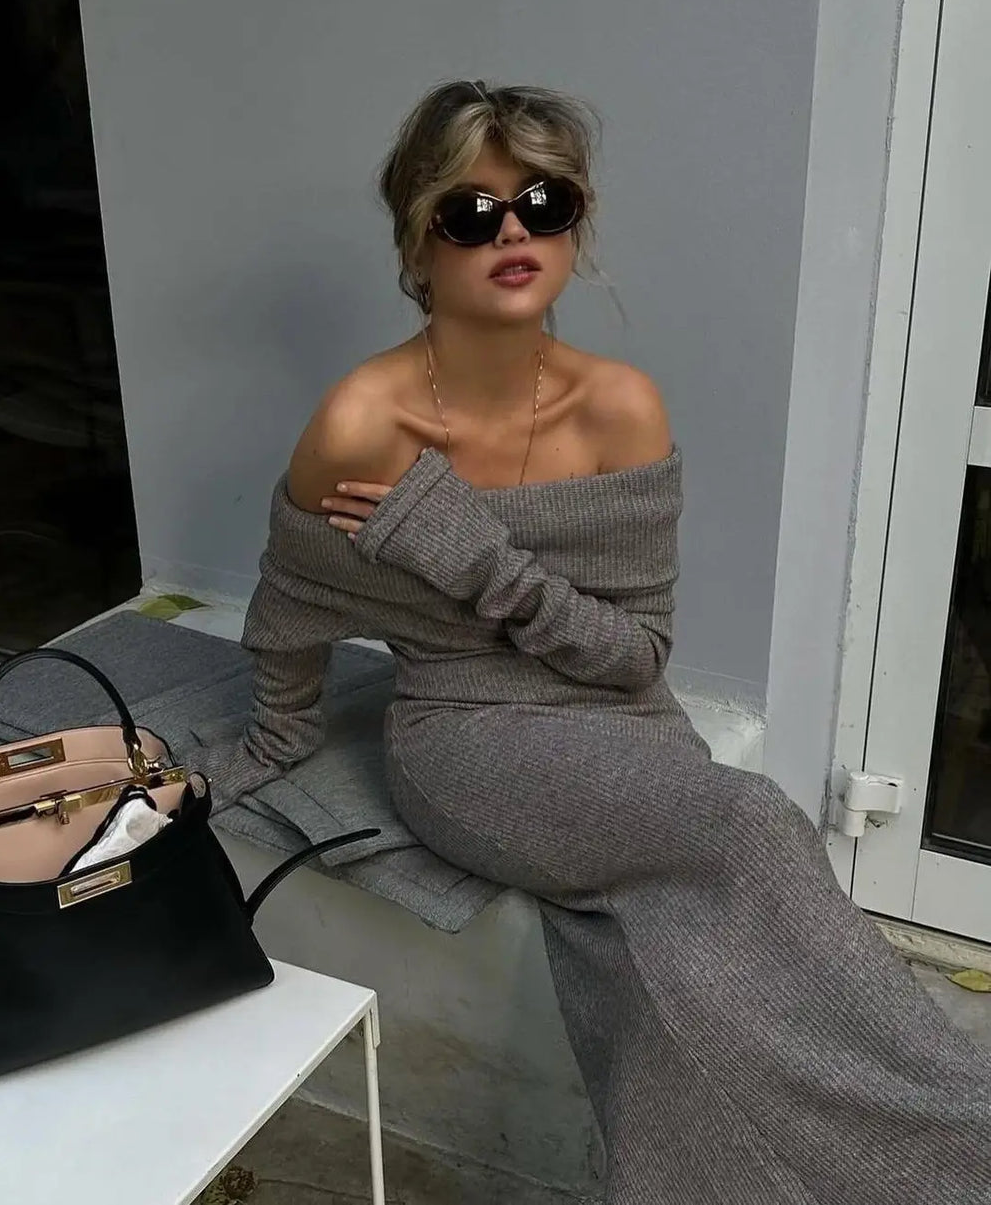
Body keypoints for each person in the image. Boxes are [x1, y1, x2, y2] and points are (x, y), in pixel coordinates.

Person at [225, 81, 991, 1204]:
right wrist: (273, 736)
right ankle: (959, 1148)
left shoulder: (618, 407)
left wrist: (467, 551)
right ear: (416, 240)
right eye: (472, 214)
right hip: (467, 739)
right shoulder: (363, 421)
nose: (516, 234)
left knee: (660, 951)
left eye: (545, 202)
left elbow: (634, 661)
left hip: (620, 720)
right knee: (749, 820)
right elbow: (290, 612)